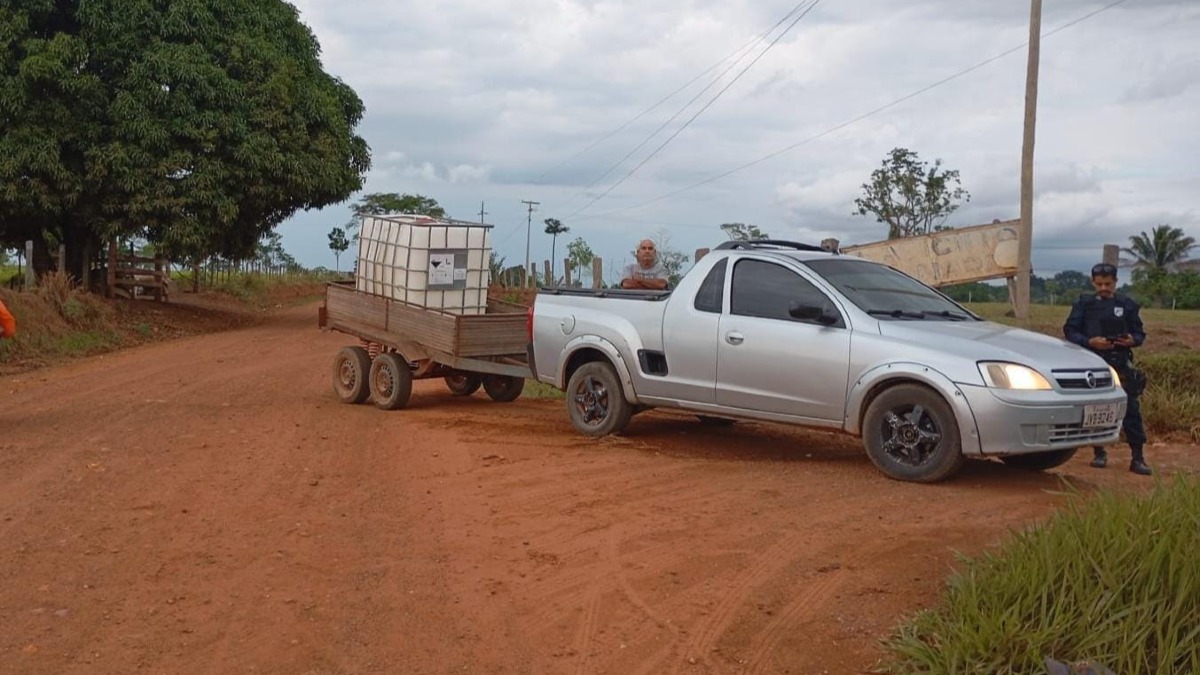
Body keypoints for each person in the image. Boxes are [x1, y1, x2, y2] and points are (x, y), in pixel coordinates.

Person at [1062, 263, 1151, 475]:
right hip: (1093, 364)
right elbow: (1070, 331)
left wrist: (1131, 340)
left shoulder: (1127, 305)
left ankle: (1137, 457)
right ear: (1093, 282)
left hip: (1119, 363)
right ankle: (1099, 453)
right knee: (1096, 411)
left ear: (1115, 282)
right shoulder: (1084, 304)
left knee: (1131, 411)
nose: (1103, 287)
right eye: (1099, 283)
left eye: (1107, 284)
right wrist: (1090, 341)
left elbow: (1139, 334)